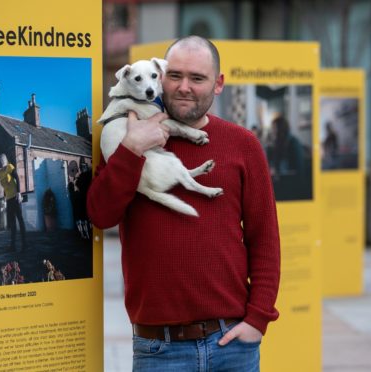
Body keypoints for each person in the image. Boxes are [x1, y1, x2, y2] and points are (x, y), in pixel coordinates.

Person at [87, 36, 280, 371]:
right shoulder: (125, 136)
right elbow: (100, 215)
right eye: (174, 76)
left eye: (197, 78)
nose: (183, 87)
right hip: (159, 349)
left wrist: (258, 319)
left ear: (218, 84)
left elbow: (264, 238)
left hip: (232, 344)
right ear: (160, 76)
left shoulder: (243, 145)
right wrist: (132, 149)